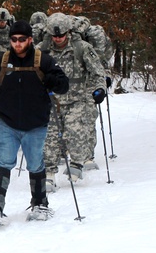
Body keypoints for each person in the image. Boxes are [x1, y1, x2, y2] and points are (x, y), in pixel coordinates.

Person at [0, 20, 69, 221]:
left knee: (35, 165)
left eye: (22, 39)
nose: (17, 43)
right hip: (8, 122)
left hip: (35, 124)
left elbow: (63, 84)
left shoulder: (44, 60)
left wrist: (54, 81)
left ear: (30, 40)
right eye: (14, 39)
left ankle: (40, 204)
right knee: (4, 162)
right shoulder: (2, 60)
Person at [39, 12, 109, 191]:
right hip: (51, 100)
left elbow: (97, 72)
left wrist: (100, 89)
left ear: (68, 32)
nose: (58, 39)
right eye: (54, 36)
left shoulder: (82, 48)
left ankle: (77, 163)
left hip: (78, 99)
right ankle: (49, 173)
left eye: (61, 35)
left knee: (76, 134)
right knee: (50, 139)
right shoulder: (42, 50)